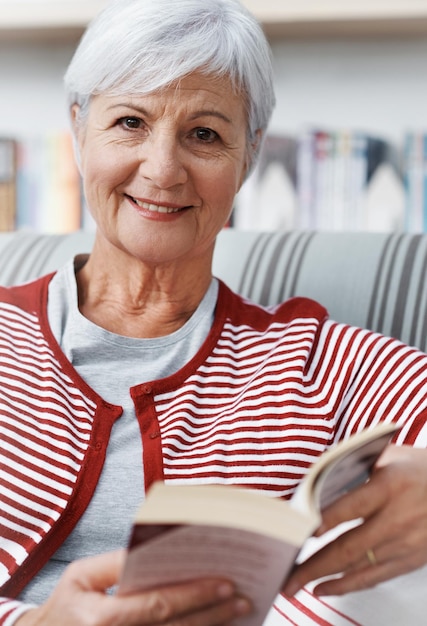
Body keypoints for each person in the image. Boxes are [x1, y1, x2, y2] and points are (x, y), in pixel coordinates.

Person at [1, 0, 427, 624]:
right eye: (129, 122)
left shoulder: (314, 358)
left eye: (204, 134)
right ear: (79, 128)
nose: (163, 170)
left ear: (248, 155)